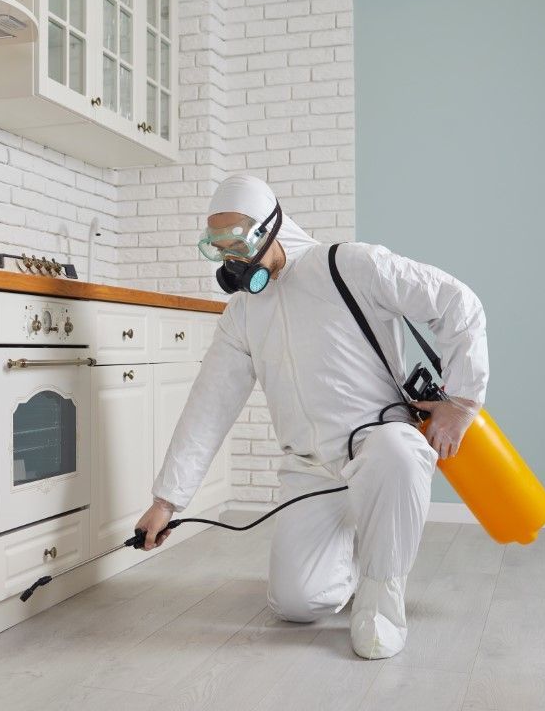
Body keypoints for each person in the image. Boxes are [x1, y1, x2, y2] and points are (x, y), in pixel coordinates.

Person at [134, 173, 487, 659]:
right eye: (217, 248)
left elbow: (457, 302)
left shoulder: (349, 265)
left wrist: (462, 401)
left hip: (376, 442)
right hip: (310, 468)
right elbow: (209, 404)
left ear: (270, 227)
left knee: (399, 456)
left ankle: (381, 600)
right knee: (298, 604)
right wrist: (167, 501)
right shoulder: (242, 314)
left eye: (236, 241)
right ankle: (360, 541)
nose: (231, 258)